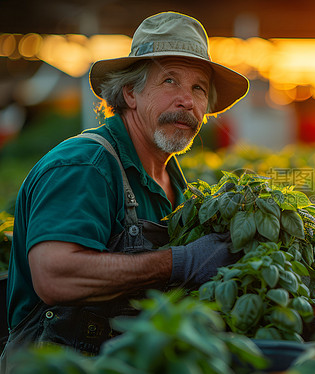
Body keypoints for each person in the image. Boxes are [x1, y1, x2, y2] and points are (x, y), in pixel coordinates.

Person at [0, 11, 249, 369]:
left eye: (198, 88)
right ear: (130, 92)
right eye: (170, 81)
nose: (187, 100)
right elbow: (54, 275)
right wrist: (179, 262)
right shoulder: (86, 165)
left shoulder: (177, 184)